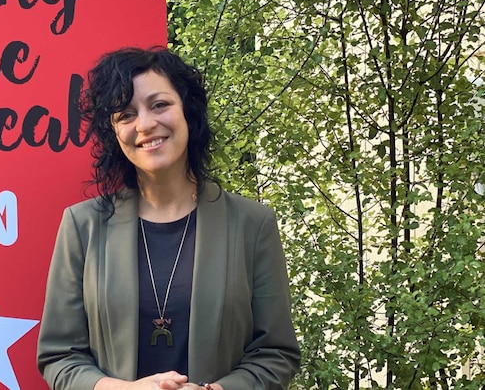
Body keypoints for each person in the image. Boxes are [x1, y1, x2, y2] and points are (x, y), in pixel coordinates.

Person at [37, 47, 300, 390]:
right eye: (126, 115)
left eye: (159, 105)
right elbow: (58, 357)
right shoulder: (82, 225)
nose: (145, 124)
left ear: (188, 112)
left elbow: (276, 353)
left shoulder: (252, 224)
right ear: (115, 133)